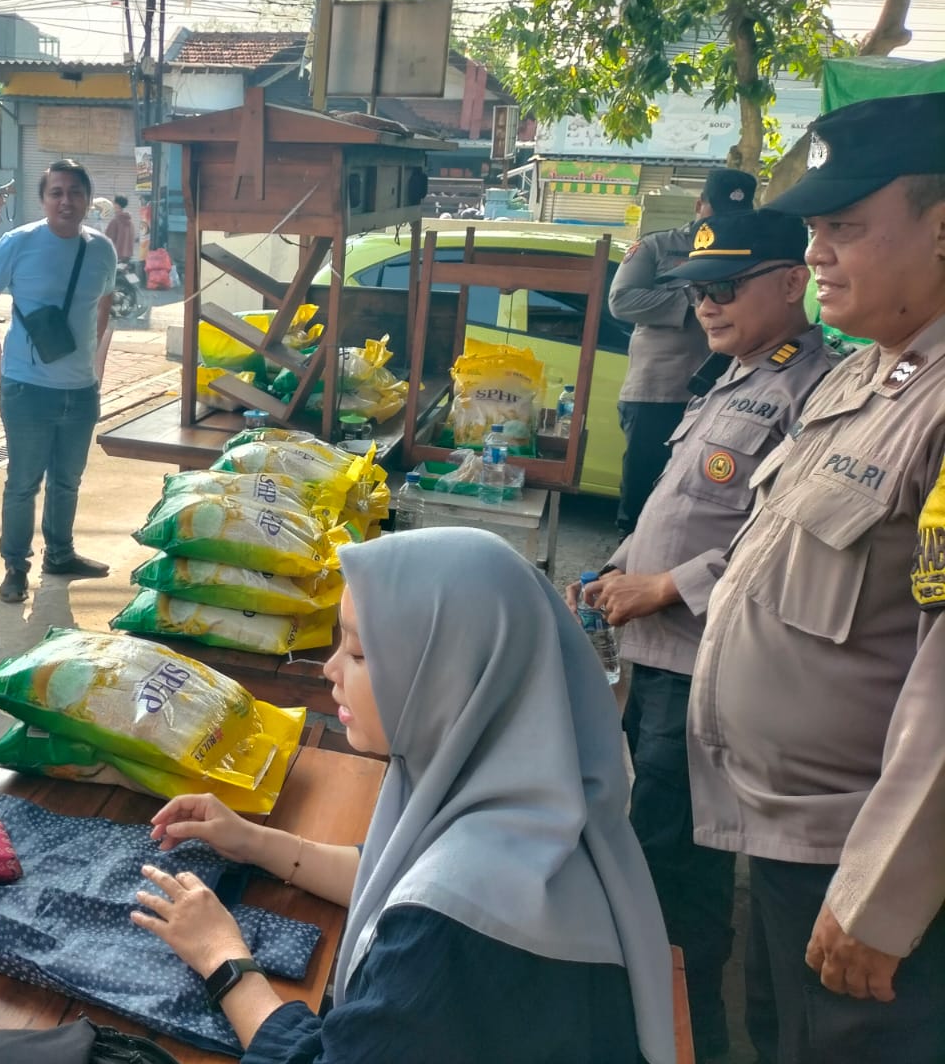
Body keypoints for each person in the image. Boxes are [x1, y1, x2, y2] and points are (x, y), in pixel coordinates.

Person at [132, 529, 676, 1064]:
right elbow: (395, 877)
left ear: (448, 677)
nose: (330, 670)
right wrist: (254, 842)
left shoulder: (449, 931)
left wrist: (222, 957)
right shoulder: (535, 805)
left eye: (361, 654)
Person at [686, 91, 945, 1064]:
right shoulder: (862, 373)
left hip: (860, 859)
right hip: (784, 838)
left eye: (845, 227)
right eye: (812, 229)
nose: (817, 254)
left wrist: (882, 894)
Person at [570, 208, 836, 1060]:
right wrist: (619, 565)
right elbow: (680, 509)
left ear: (793, 282)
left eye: (724, 288)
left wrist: (665, 587)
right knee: (647, 840)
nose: (706, 308)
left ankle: (689, 1039)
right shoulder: (731, 377)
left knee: (675, 870)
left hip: (702, 671)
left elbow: (786, 545)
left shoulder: (813, 389)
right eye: (696, 291)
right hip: (657, 660)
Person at [0, 159, 117, 604]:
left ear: (89, 199)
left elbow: (104, 306)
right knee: (23, 482)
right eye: (56, 192)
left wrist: (95, 368)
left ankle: (60, 553)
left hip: (80, 390)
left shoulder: (102, 250)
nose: (66, 201)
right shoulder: (19, 243)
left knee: (68, 481)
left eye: (75, 192)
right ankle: (15, 566)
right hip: (27, 387)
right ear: (43, 199)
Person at [609, 168, 756, 535]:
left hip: (722, 389)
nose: (723, 222)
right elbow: (621, 300)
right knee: (644, 488)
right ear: (698, 205)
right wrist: (698, 298)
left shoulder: (748, 253)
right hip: (659, 389)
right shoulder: (658, 247)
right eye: (716, 212)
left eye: (734, 217)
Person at [105, 195, 136, 262]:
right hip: (127, 256)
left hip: (116, 256)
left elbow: (108, 239)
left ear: (117, 205)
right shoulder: (130, 221)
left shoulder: (115, 221)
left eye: (113, 203)